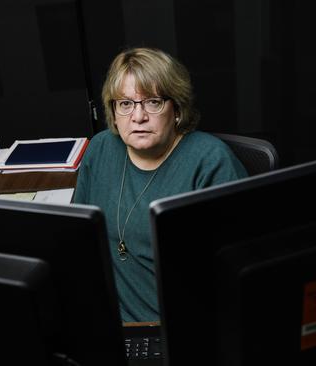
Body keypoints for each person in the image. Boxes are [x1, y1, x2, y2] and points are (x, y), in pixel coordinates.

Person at [73, 47, 247, 322]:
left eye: (153, 102)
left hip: (176, 329)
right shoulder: (100, 149)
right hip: (106, 321)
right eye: (125, 103)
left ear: (176, 109)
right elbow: (78, 239)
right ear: (114, 111)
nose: (138, 117)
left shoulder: (211, 162)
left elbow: (236, 276)